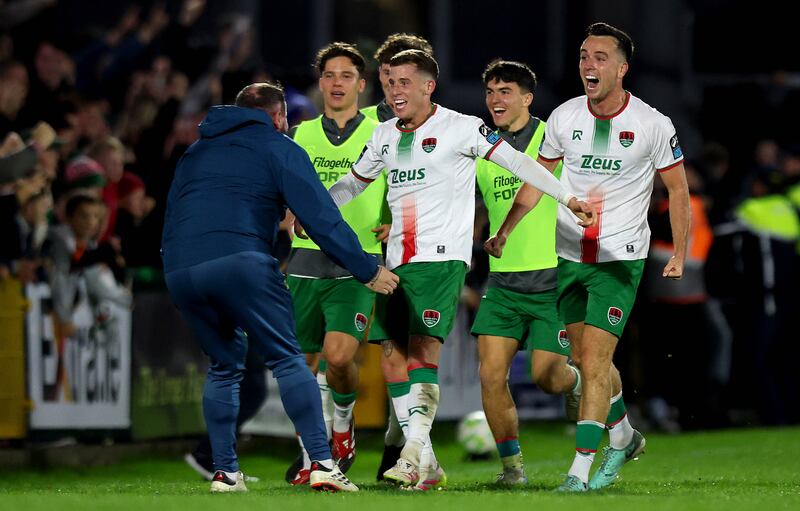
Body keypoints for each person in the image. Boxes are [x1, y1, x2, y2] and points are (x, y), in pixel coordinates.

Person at [328, 49, 594, 490]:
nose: (395, 91)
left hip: (441, 259)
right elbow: (355, 181)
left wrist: (567, 198)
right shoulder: (383, 136)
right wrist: (313, 207)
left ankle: (415, 455)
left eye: (405, 83)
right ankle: (426, 459)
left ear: (428, 86)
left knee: (421, 354)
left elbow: (519, 163)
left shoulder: (462, 128)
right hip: (395, 262)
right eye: (390, 83)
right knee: (394, 358)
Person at [161, 81, 399, 493]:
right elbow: (322, 220)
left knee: (223, 365)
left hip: (181, 268)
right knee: (289, 359)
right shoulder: (278, 146)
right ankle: (323, 463)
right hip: (241, 260)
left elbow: (172, 214)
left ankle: (224, 472)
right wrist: (367, 269)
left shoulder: (195, 151)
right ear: (277, 116)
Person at [493, 22, 690, 491]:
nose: (588, 65)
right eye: (583, 56)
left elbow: (678, 190)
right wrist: (504, 231)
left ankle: (580, 472)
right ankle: (622, 436)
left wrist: (679, 251)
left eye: (599, 57)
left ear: (622, 68)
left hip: (619, 259)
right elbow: (538, 181)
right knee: (581, 360)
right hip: (569, 256)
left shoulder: (652, 123)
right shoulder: (562, 118)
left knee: (597, 360)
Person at [284, 42, 388, 484]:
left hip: (358, 261)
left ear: (362, 84)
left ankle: (342, 426)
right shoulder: (302, 133)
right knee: (300, 367)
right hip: (304, 262)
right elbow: (287, 187)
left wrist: (391, 222)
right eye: (330, 76)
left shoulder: (381, 130)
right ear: (321, 82)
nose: (338, 83)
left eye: (347, 76)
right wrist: (289, 214)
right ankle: (313, 452)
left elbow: (400, 183)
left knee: (339, 355)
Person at [475, 59, 581, 485]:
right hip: (502, 280)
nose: (495, 100)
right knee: (489, 374)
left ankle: (577, 381)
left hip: (552, 277)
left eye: (505, 92)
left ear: (526, 98)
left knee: (547, 378)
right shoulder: (482, 148)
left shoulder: (551, 138)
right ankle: (512, 470)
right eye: (490, 92)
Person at [363, 31, 437, 482]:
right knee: (382, 357)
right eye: (388, 74)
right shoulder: (377, 124)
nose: (395, 85)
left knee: (407, 355)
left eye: (405, 74)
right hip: (371, 252)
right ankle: (409, 450)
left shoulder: (440, 125)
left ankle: (407, 449)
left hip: (424, 251)